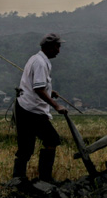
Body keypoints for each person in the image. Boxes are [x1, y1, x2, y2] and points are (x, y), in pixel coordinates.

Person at [12, 33, 68, 182]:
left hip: (25, 106)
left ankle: (18, 179)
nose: (58, 50)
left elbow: (39, 85)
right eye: (57, 46)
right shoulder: (41, 63)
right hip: (32, 110)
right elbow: (38, 89)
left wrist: (50, 91)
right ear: (49, 47)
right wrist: (57, 106)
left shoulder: (36, 59)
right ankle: (44, 179)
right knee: (51, 140)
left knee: (26, 147)